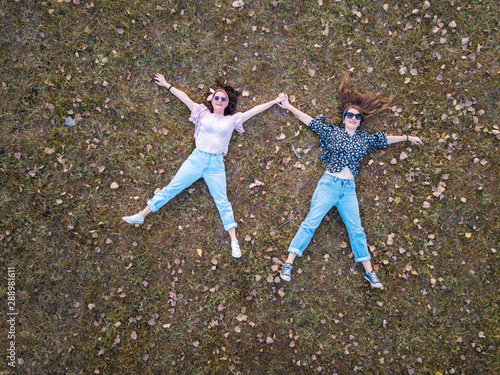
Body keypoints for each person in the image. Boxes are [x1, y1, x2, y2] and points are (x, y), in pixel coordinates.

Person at [278, 74, 424, 288]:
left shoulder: (365, 139)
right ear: (344, 117)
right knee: (311, 222)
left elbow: (383, 140)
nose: (354, 118)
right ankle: (289, 262)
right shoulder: (332, 132)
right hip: (329, 184)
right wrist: (289, 106)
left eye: (357, 117)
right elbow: (309, 121)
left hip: (348, 189)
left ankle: (369, 272)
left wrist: (407, 138)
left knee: (357, 230)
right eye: (350, 115)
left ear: (360, 121)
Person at [123, 73, 286, 258]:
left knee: (222, 200)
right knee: (172, 188)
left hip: (215, 164)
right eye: (216, 97)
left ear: (227, 103)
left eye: (223, 98)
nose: (219, 99)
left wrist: (274, 101)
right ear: (212, 99)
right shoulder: (202, 113)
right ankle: (142, 215)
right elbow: (185, 98)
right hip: (197, 159)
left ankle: (234, 241)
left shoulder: (232, 120)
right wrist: (167, 85)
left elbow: (255, 110)